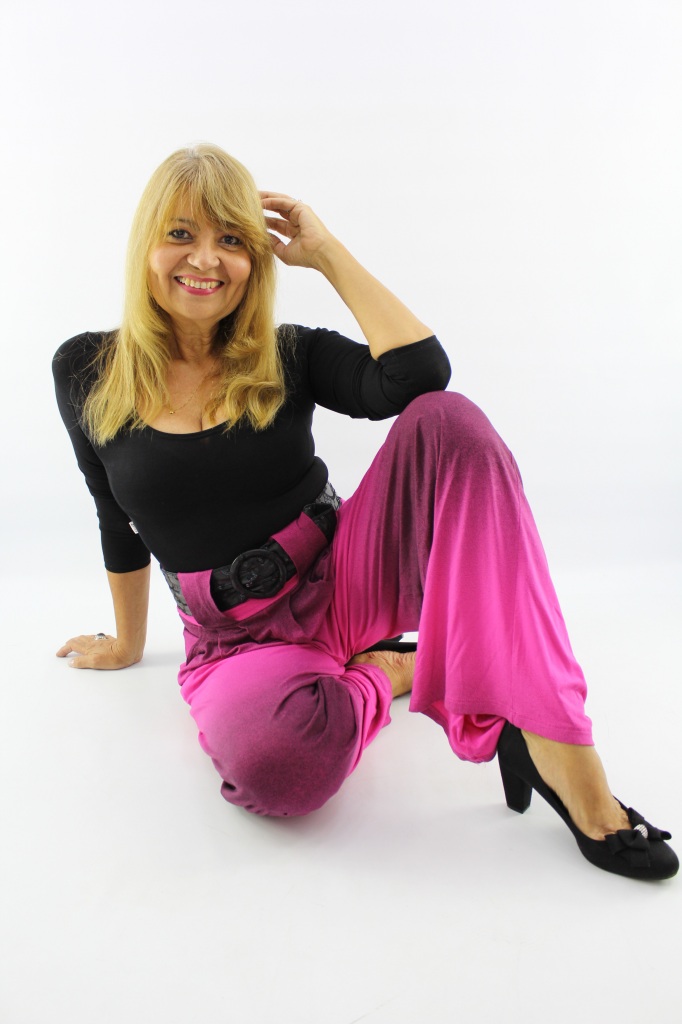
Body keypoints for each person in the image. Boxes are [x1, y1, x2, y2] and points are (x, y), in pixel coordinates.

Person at [53, 143, 677, 881]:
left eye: (232, 239)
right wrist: (129, 644)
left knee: (451, 421)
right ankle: (390, 669)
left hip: (348, 573)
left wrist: (326, 253)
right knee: (277, 771)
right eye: (181, 234)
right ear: (146, 244)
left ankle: (563, 754)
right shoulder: (87, 370)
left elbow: (420, 375)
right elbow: (113, 516)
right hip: (235, 639)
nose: (206, 260)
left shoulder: (288, 353)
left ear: (256, 259)